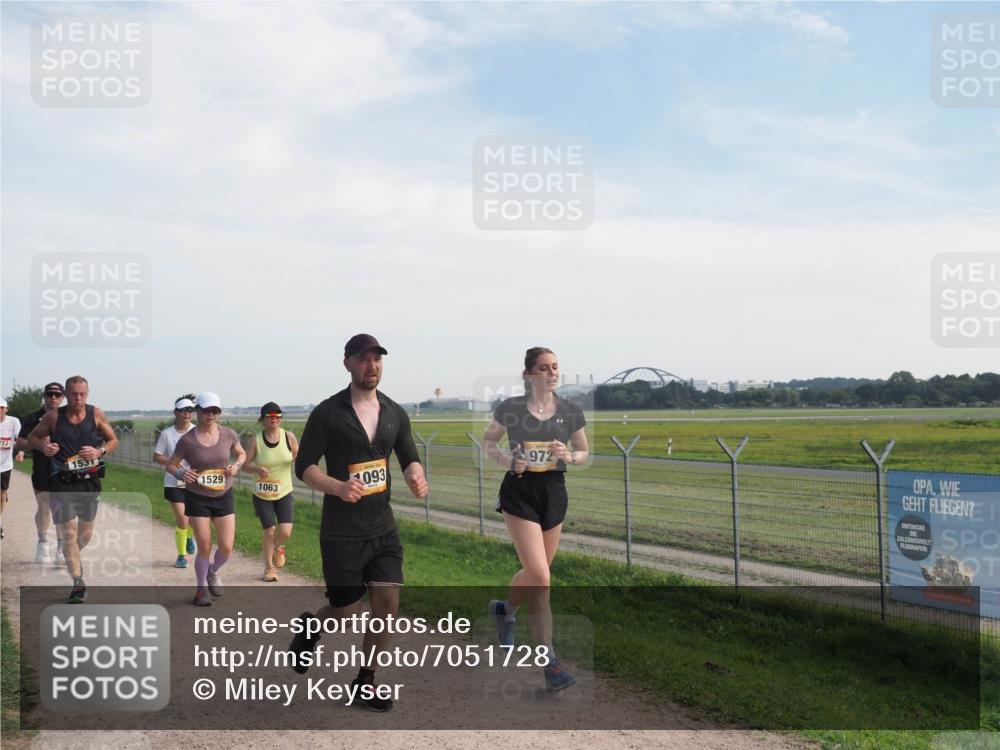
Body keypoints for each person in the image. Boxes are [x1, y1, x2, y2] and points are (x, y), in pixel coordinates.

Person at [289, 333, 428, 713]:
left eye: (377, 359)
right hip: (341, 532)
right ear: (347, 363)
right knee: (346, 611)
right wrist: (336, 486)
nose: (372, 366)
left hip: (382, 527)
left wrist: (416, 475)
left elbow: (409, 456)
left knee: (387, 603)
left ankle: (365, 681)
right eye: (364, 359)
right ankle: (312, 629)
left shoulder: (394, 412)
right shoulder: (329, 412)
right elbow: (304, 466)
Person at [483, 347, 589, 691]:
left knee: (535, 573)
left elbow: (584, 451)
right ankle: (550, 664)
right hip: (520, 494)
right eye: (544, 367)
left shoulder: (570, 410)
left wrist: (569, 456)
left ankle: (505, 611)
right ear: (529, 373)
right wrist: (506, 461)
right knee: (542, 577)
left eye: (555, 366)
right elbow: (488, 442)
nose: (552, 372)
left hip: (554, 495)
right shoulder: (511, 409)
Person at [26, 376, 119, 603]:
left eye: (82, 393)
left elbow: (113, 440)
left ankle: (71, 554)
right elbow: (32, 437)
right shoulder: (53, 417)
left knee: (84, 536)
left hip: (89, 481)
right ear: (66, 395)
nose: (78, 398)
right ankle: (78, 583)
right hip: (61, 482)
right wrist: (44, 446)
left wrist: (100, 452)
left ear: (87, 393)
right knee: (69, 534)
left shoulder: (96, 414)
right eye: (74, 393)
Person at [166, 391, 246, 607]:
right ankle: (201, 590)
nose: (210, 415)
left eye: (215, 411)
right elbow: (171, 464)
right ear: (198, 411)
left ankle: (212, 572)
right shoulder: (187, 440)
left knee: (227, 546)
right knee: (204, 544)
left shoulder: (228, 434)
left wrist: (236, 466)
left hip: (223, 494)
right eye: (206, 410)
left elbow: (241, 453)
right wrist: (181, 474)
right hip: (197, 496)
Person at [242, 402, 299, 582]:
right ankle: (269, 568)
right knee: (269, 530)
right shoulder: (256, 440)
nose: (274, 419)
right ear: (263, 419)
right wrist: (257, 470)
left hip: (284, 491)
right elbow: (245, 465)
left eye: (277, 416)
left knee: (286, 531)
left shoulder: (289, 437)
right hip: (262, 493)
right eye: (270, 416)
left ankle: (277, 547)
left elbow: (298, 456)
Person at [15, 382, 66, 562]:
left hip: (63, 470)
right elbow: (20, 442)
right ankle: (43, 542)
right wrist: (37, 444)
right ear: (44, 396)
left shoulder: (69, 417)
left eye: (57, 395)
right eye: (50, 394)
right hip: (42, 468)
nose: (53, 397)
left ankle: (61, 548)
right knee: (44, 507)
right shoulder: (34, 418)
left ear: (63, 397)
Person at [153, 395, 197, 568]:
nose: (186, 414)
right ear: (175, 412)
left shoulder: (197, 431)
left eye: (189, 410)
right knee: (181, 517)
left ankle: (188, 537)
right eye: (182, 411)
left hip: (194, 481)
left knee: (192, 518)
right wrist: (173, 462)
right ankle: (181, 556)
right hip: (174, 481)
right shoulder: (167, 434)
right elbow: (157, 456)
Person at [0, 398, 24, 539]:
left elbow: (20, 439)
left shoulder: (13, 422)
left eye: (2, 408)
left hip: (5, 465)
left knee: (1, 497)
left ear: (6, 409)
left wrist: (20, 452)